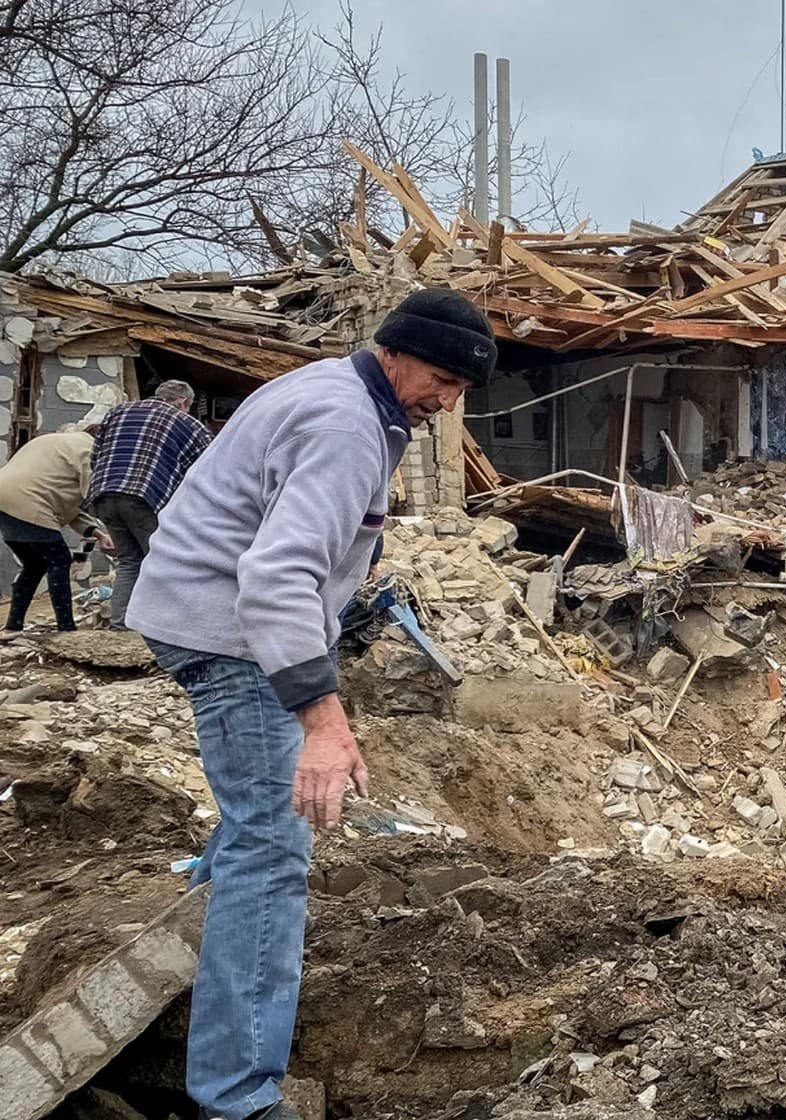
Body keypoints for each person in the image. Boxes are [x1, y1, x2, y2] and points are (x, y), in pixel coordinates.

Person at [128, 289, 494, 1120]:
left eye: (463, 389)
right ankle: (240, 1097)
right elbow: (277, 575)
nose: (449, 401)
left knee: (255, 813)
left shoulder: (335, 391)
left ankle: (203, 947)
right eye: (441, 378)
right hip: (227, 631)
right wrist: (323, 722)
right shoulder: (344, 424)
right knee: (272, 846)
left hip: (200, 611)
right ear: (395, 352)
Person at [87, 379, 213, 629]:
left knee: (129, 561)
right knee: (163, 562)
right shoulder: (188, 424)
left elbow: (95, 456)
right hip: (145, 498)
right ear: (184, 402)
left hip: (104, 495)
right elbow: (209, 468)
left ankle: (121, 625)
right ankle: (168, 627)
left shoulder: (118, 411)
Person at [0, 425, 109, 632]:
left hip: (4, 499)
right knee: (59, 560)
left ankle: (13, 625)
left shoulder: (57, 443)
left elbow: (69, 507)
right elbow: (92, 495)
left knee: (34, 565)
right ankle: (66, 627)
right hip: (30, 500)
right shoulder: (89, 449)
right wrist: (116, 525)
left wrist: (99, 534)